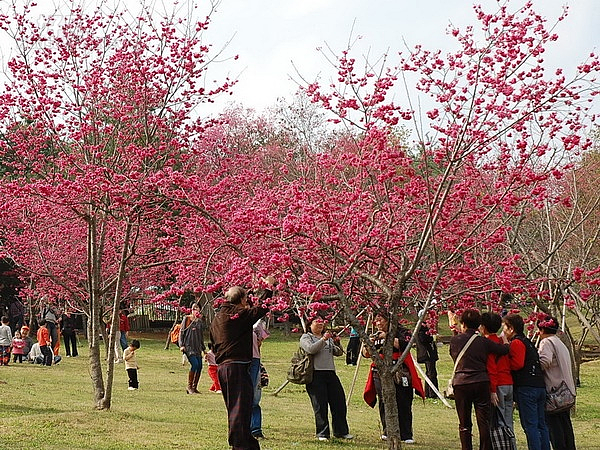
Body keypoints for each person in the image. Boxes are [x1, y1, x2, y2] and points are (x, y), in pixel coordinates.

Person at [209, 286, 269, 450]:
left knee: (235, 408)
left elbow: (212, 344)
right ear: (242, 300)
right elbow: (261, 308)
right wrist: (269, 288)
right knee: (240, 408)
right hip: (236, 367)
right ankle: (240, 445)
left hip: (223, 367)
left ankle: (246, 443)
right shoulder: (238, 315)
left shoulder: (217, 318)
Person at [449, 309, 509, 450]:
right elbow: (503, 350)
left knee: (464, 423)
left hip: (462, 383)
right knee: (484, 421)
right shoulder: (483, 342)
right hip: (481, 382)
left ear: (463, 324)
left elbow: (453, 355)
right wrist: (505, 341)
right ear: (478, 325)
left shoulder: (455, 340)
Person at [363, 312, 424, 443]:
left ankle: (406, 434)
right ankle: (387, 431)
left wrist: (388, 336)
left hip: (400, 370)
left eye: (381, 320)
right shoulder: (374, 335)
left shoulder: (401, 331)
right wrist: (370, 344)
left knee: (404, 401)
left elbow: (406, 345)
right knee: (384, 401)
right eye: (376, 320)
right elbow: (365, 354)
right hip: (380, 371)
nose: (378, 323)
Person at [300, 316, 353, 442]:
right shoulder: (306, 337)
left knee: (339, 403)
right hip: (316, 374)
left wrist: (337, 342)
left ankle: (341, 431)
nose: (320, 324)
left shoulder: (327, 338)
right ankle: (322, 433)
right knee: (320, 405)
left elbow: (338, 352)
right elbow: (311, 349)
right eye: (316, 322)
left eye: (321, 322)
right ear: (309, 324)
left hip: (330, 373)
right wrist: (323, 339)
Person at [503, 313, 550, 450]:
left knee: (531, 426)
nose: (503, 332)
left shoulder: (516, 343)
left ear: (511, 329)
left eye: (504, 328)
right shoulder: (527, 341)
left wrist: (506, 362)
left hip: (527, 388)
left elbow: (517, 364)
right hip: (539, 386)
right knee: (541, 424)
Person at [537, 315, 576, 450]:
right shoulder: (560, 342)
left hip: (555, 392)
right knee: (565, 424)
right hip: (566, 391)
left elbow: (544, 362)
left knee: (555, 427)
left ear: (542, 330)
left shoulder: (546, 342)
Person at [479, 312, 514, 432]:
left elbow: (492, 368)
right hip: (509, 383)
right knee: (508, 421)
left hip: (498, 384)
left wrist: (492, 390)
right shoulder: (502, 342)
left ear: (483, 327)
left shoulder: (487, 344)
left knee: (499, 421)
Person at [178, 302, 206, 394]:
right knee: (195, 364)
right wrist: (181, 345)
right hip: (188, 347)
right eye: (193, 308)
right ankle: (189, 386)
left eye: (197, 308)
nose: (195, 310)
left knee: (200, 366)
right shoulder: (187, 319)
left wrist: (203, 348)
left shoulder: (200, 321)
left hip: (197, 347)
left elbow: (201, 336)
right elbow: (181, 332)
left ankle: (194, 387)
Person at [250, 317, 270, 438]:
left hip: (254, 360)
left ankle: (256, 429)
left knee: (255, 398)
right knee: (244, 397)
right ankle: (243, 428)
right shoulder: (235, 322)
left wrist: (259, 340)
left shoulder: (255, 325)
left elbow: (257, 346)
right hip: (239, 361)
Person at [415, 309, 439, 399]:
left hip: (429, 352)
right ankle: (432, 393)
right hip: (427, 353)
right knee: (431, 373)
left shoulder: (426, 326)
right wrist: (432, 337)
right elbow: (423, 339)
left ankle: (429, 392)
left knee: (430, 372)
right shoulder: (421, 327)